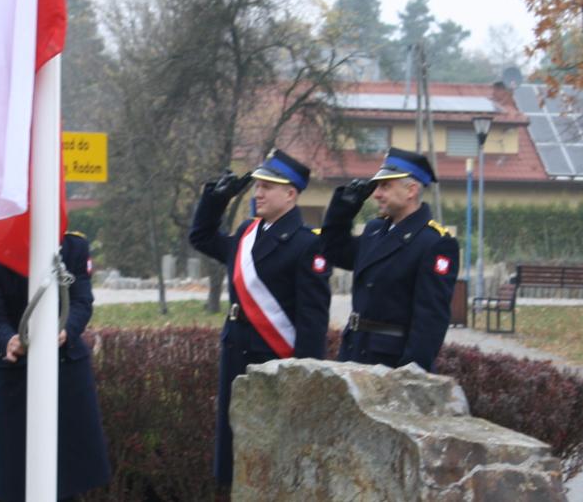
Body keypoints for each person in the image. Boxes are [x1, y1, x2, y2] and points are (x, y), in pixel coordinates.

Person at [187, 148, 330, 491]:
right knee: (232, 450)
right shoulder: (246, 234)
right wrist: (216, 199)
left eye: (268, 186)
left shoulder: (307, 244)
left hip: (274, 359)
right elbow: (201, 237)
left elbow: (312, 320)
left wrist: (305, 376)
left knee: (274, 452)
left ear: (291, 194)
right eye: (257, 186)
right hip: (236, 350)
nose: (258, 193)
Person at [0, 231, 111, 501]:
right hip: (18, 375)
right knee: (16, 476)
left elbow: (82, 300)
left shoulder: (73, 247)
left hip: (66, 369)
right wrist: (8, 341)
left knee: (68, 477)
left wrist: (66, 330)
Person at [319, 147, 460, 372]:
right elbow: (331, 249)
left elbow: (430, 321)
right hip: (354, 352)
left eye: (386, 185)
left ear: (411, 190)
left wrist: (412, 374)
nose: (376, 193)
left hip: (392, 363)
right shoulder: (375, 231)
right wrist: (345, 206)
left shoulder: (434, 243)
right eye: (377, 186)